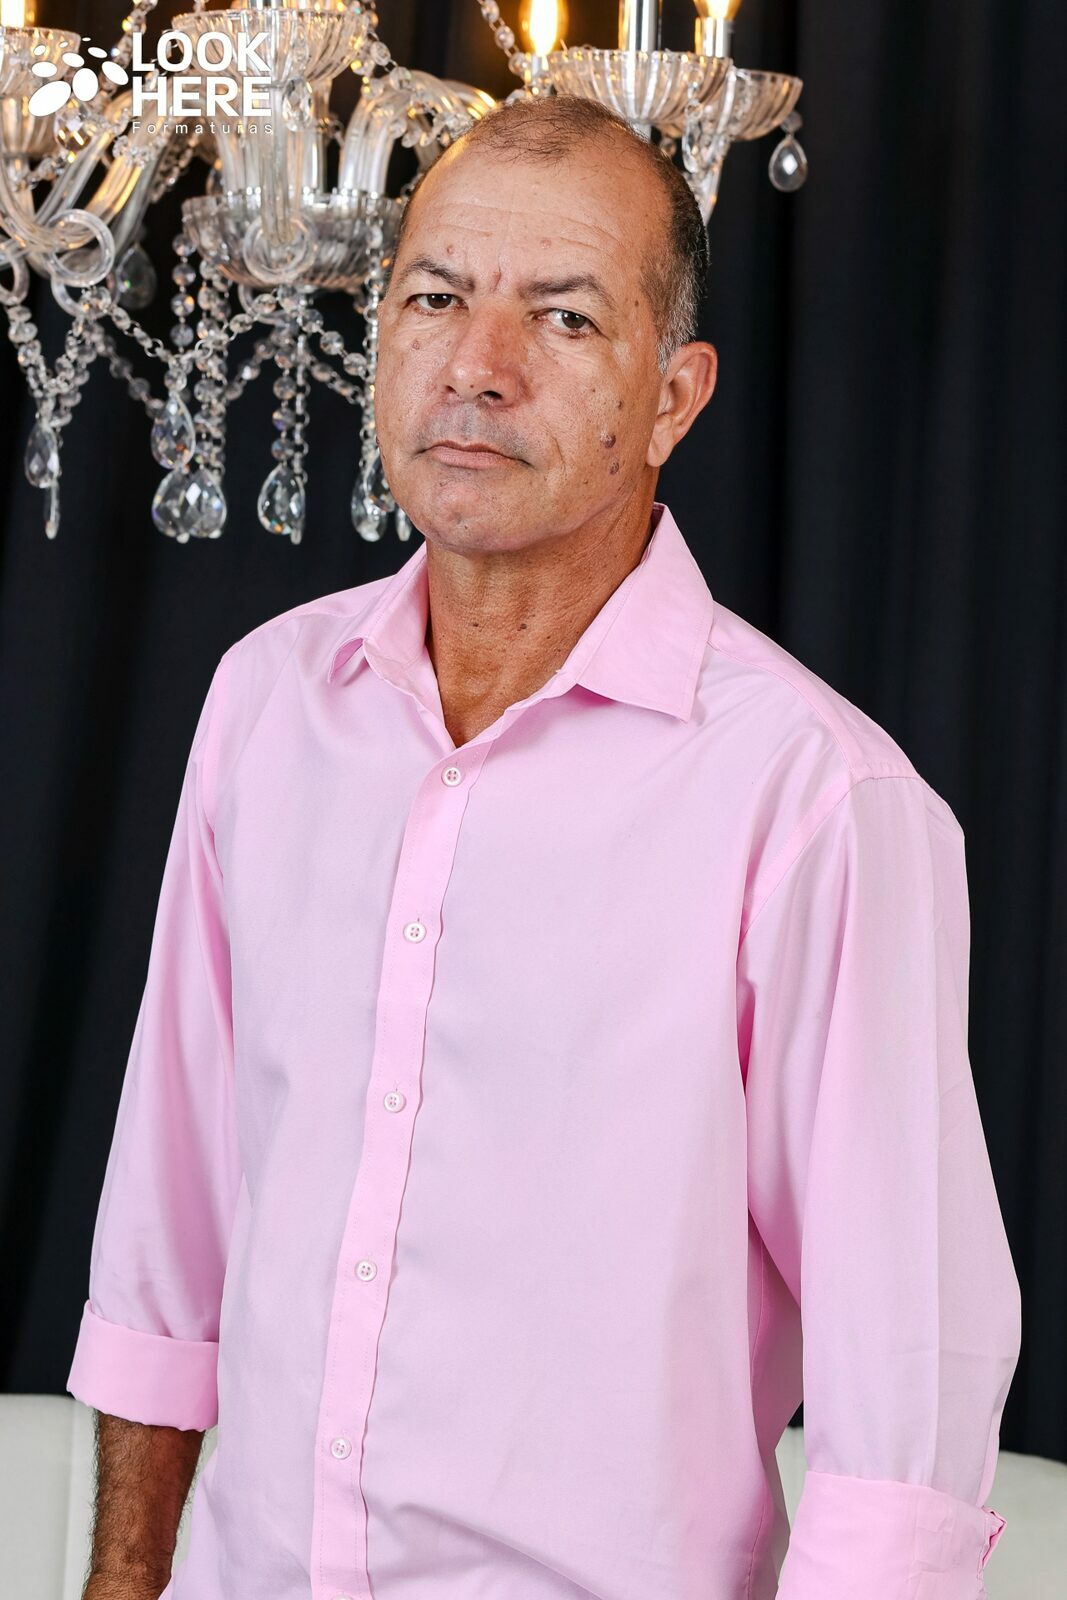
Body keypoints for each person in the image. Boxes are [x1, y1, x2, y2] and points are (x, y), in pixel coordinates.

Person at [68, 94, 1021, 1600]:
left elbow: (902, 1410)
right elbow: (164, 1230)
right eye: (434, 298)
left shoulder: (816, 799)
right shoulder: (268, 703)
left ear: (674, 398)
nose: (478, 367)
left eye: (564, 318)